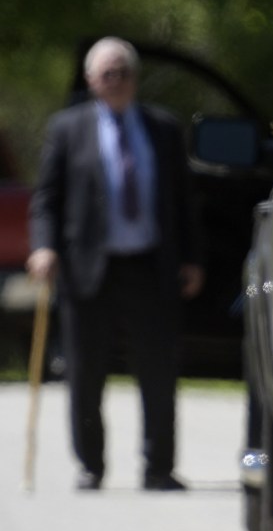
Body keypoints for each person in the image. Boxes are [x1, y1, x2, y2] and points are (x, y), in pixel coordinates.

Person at [26, 37, 204, 492]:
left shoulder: (163, 129)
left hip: (150, 264)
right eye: (108, 74)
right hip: (88, 267)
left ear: (135, 79)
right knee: (85, 372)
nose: (117, 81)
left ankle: (158, 466)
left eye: (124, 72)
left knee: (159, 369)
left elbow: (184, 202)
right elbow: (47, 199)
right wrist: (44, 248)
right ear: (91, 81)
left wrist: (191, 257)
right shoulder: (69, 129)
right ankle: (92, 465)